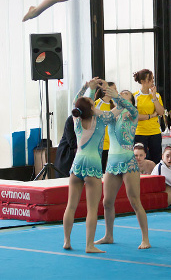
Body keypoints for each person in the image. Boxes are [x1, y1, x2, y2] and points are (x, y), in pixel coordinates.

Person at [63, 78, 128, 253]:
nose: (94, 102)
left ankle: (67, 241)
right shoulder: (101, 120)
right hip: (92, 164)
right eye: (93, 102)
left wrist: (87, 86)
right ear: (92, 108)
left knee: (71, 205)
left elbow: (78, 100)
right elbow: (120, 108)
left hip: (77, 163)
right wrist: (115, 95)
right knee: (92, 208)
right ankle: (89, 245)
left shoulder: (76, 119)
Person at [95, 86, 151, 249]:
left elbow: (130, 108)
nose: (122, 96)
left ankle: (145, 238)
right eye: (121, 95)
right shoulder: (112, 115)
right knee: (107, 202)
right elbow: (96, 113)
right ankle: (109, 235)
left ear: (131, 101)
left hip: (128, 160)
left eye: (126, 95)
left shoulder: (132, 114)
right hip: (112, 162)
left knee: (134, 200)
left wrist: (117, 98)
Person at [133, 69, 164, 164]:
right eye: (149, 79)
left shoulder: (157, 95)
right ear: (142, 81)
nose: (152, 81)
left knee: (156, 159)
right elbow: (135, 116)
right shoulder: (135, 96)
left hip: (155, 131)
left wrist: (154, 97)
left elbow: (161, 112)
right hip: (140, 132)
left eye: (153, 78)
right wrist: (151, 116)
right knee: (140, 159)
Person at [94, 82, 117, 173]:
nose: (116, 91)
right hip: (100, 144)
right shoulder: (97, 104)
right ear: (106, 91)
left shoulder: (114, 105)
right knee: (100, 170)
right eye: (114, 89)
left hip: (112, 144)